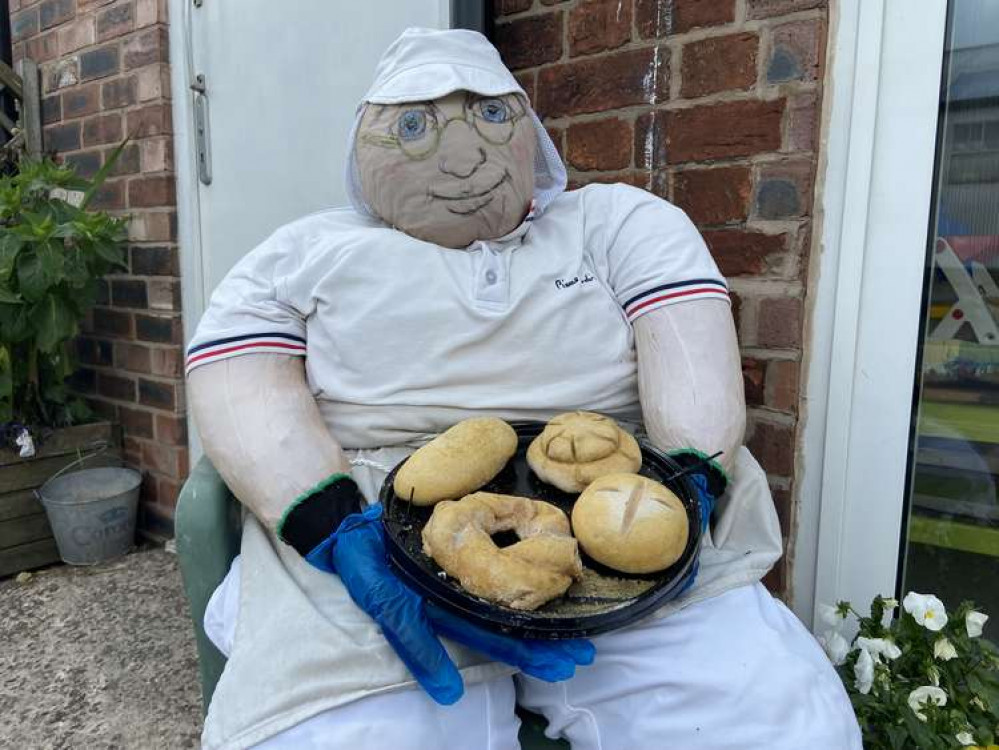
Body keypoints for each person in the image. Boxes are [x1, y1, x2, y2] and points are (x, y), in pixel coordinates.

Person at [187, 27, 862, 750]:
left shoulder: (616, 221)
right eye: (413, 127)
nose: (465, 155)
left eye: (488, 116)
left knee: (775, 721)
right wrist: (330, 524)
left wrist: (689, 477)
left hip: (617, 516)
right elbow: (238, 379)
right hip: (367, 523)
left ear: (527, 130)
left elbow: (688, 344)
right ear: (363, 151)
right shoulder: (302, 252)